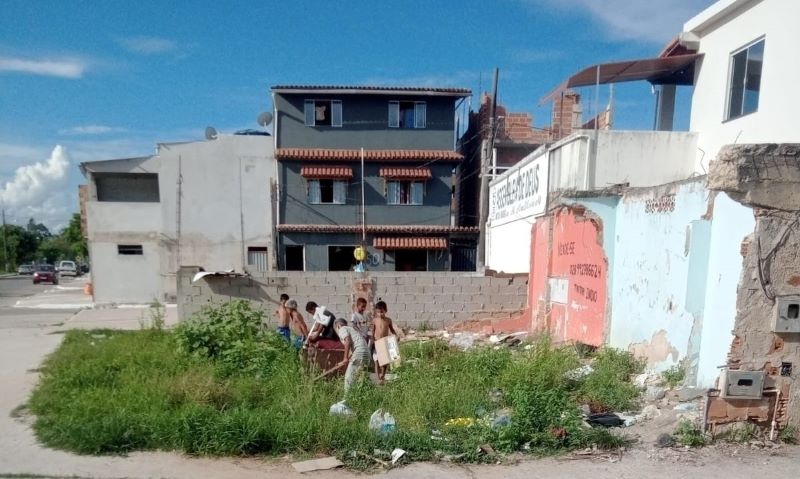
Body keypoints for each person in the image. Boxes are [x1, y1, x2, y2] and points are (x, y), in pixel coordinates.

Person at [333, 318, 370, 394]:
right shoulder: (352, 330)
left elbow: (348, 341)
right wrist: (343, 361)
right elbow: (351, 350)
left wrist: (345, 358)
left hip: (359, 352)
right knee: (360, 379)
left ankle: (347, 398)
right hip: (366, 354)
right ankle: (359, 396)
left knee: (349, 378)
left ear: (338, 326)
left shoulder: (342, 329)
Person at [369, 300, 397, 384]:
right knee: (376, 361)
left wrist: (395, 335)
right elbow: (372, 331)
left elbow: (392, 329)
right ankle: (378, 378)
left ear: (385, 311)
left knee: (385, 361)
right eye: (378, 312)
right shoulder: (374, 320)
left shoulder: (388, 320)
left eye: (381, 312)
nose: (380, 314)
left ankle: (383, 376)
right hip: (377, 342)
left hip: (385, 342)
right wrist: (372, 339)